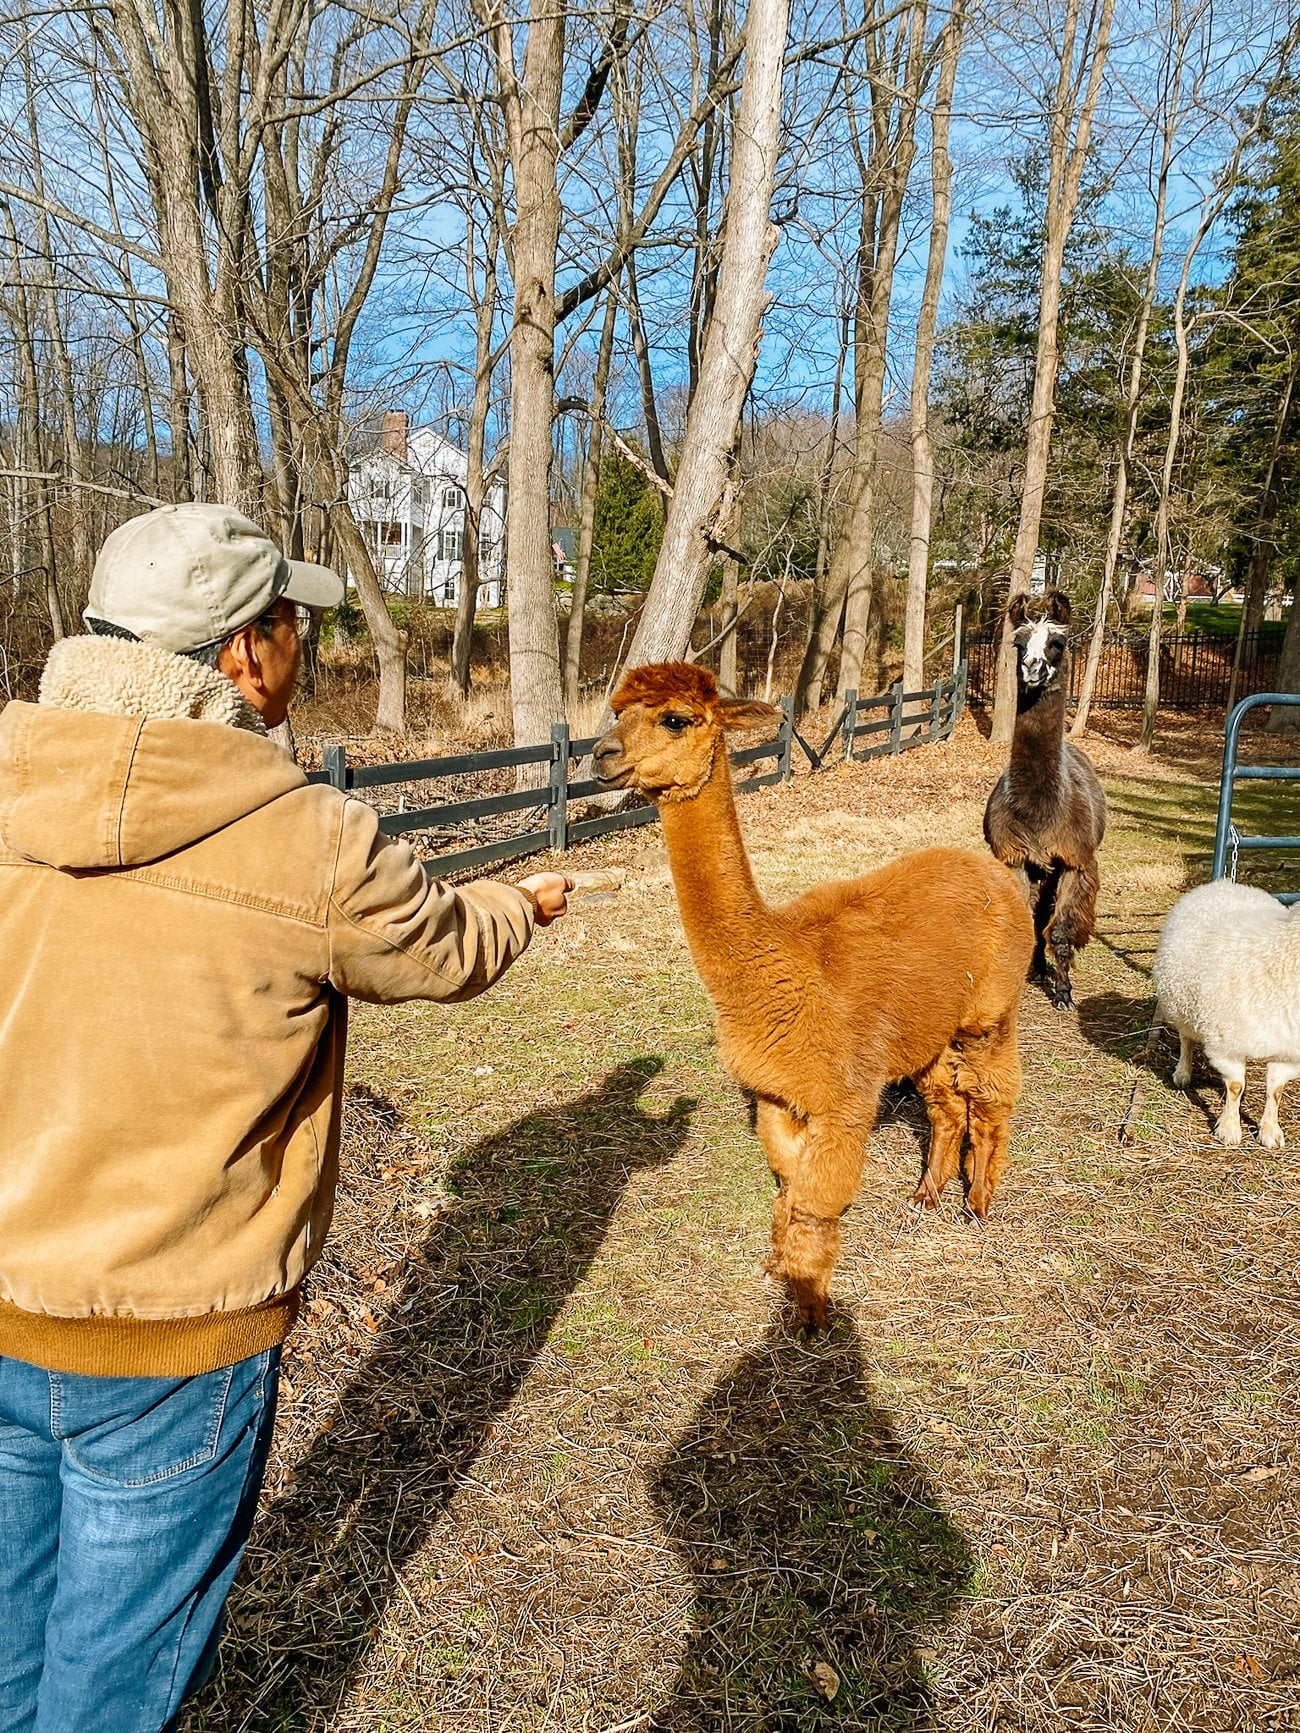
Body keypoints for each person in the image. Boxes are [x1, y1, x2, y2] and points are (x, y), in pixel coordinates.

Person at [0, 503, 571, 1732]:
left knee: (9, 1643)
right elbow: (443, 949)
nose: (300, 647)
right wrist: (524, 902)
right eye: (291, 624)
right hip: (176, 1336)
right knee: (110, 1684)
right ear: (241, 655)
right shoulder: (305, 835)